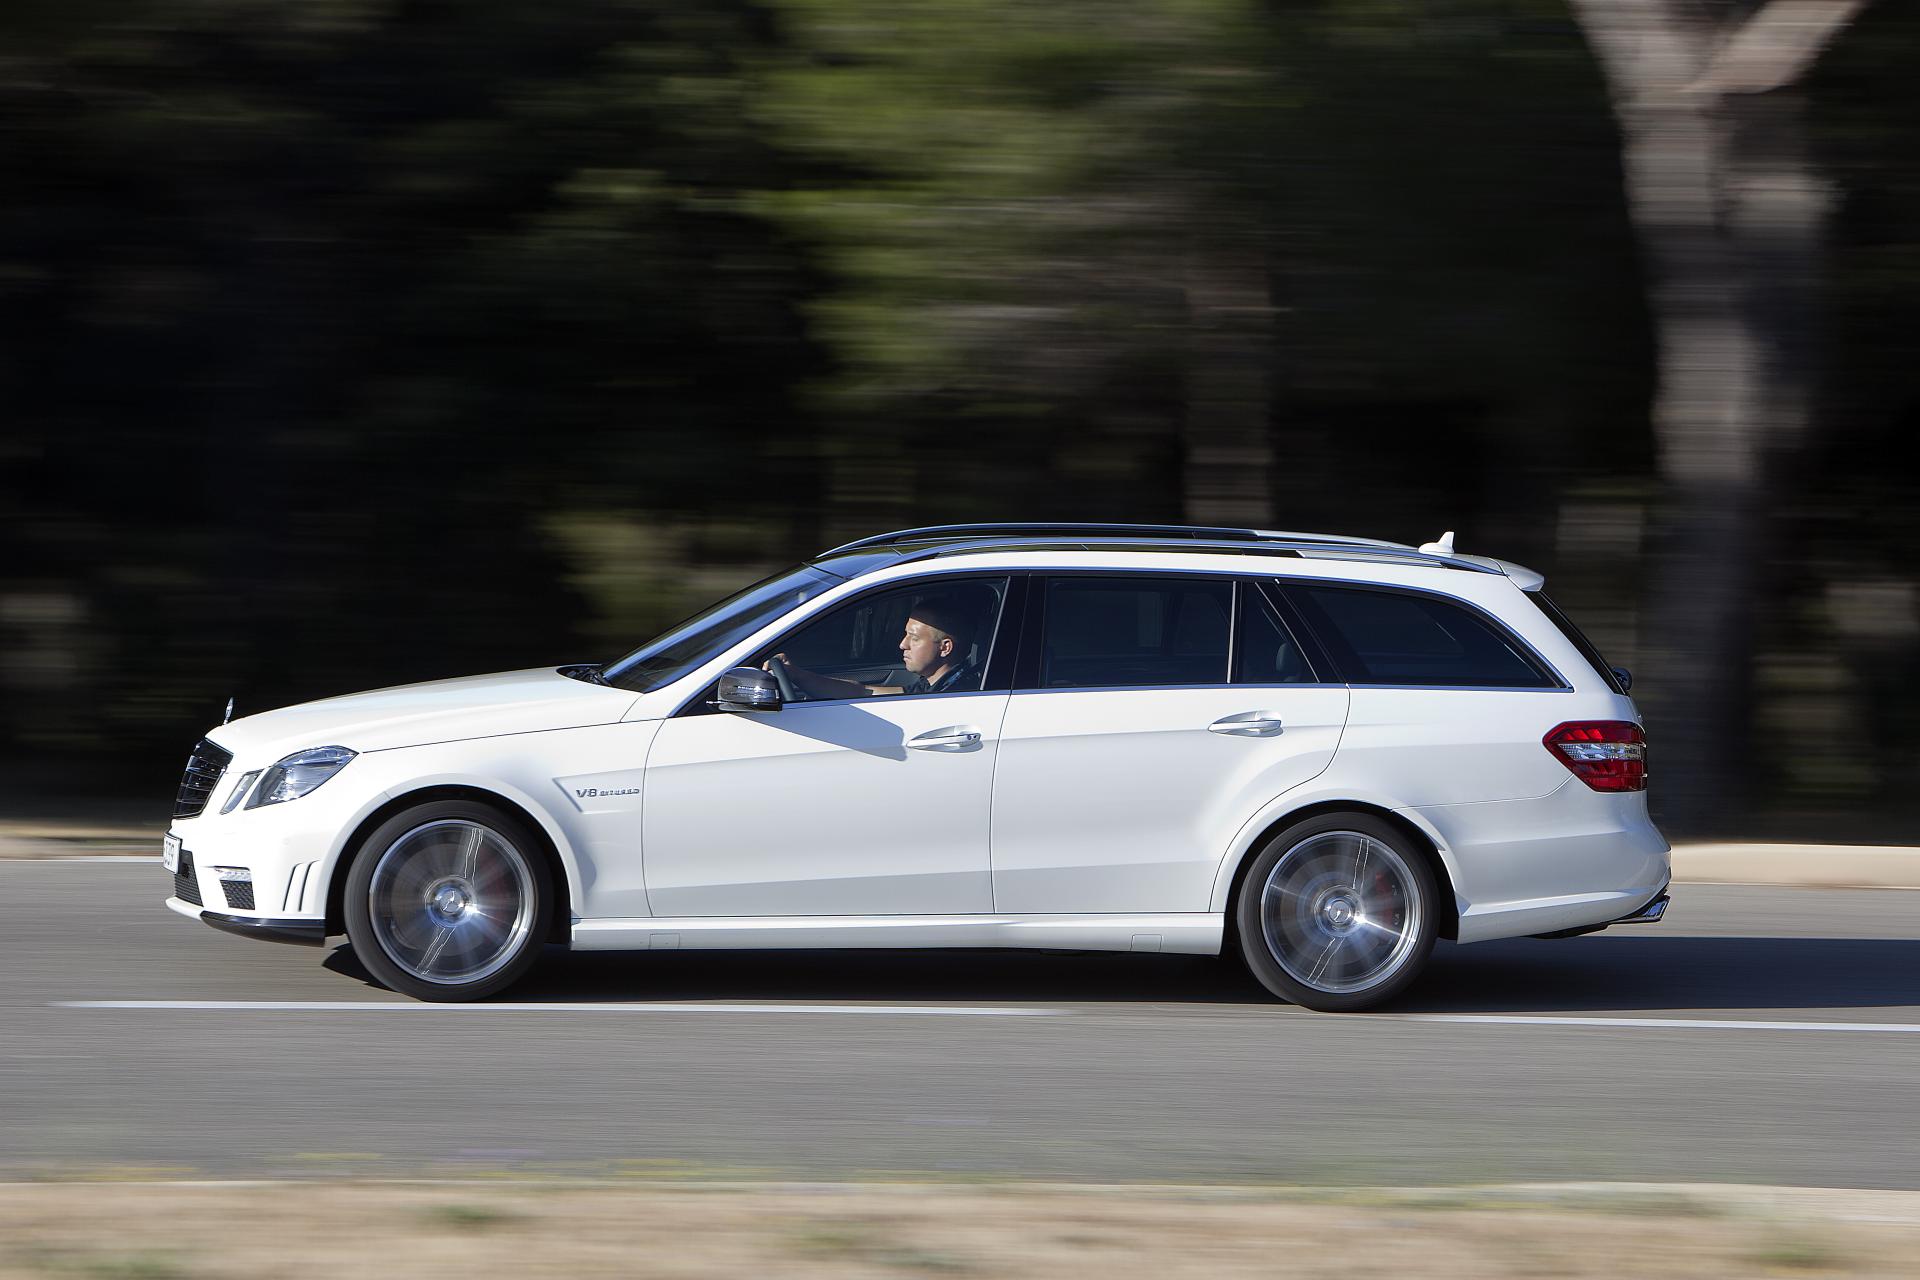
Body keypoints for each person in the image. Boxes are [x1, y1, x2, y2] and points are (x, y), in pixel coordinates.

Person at [768, 592, 984, 699]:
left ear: (945, 648)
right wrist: (798, 675)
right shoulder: (931, 686)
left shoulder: (958, 693)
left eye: (914, 638)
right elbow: (863, 691)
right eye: (905, 635)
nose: (902, 645)